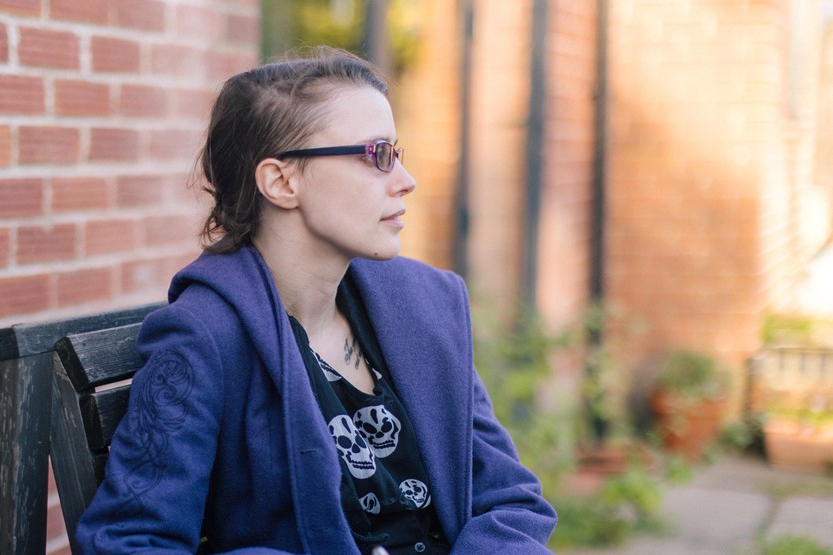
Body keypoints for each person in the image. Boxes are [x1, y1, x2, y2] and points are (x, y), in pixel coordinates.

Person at [75, 47, 557, 554]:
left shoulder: (425, 310)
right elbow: (130, 540)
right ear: (281, 182)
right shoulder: (203, 338)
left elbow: (510, 500)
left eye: (399, 153)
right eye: (378, 155)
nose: (406, 181)